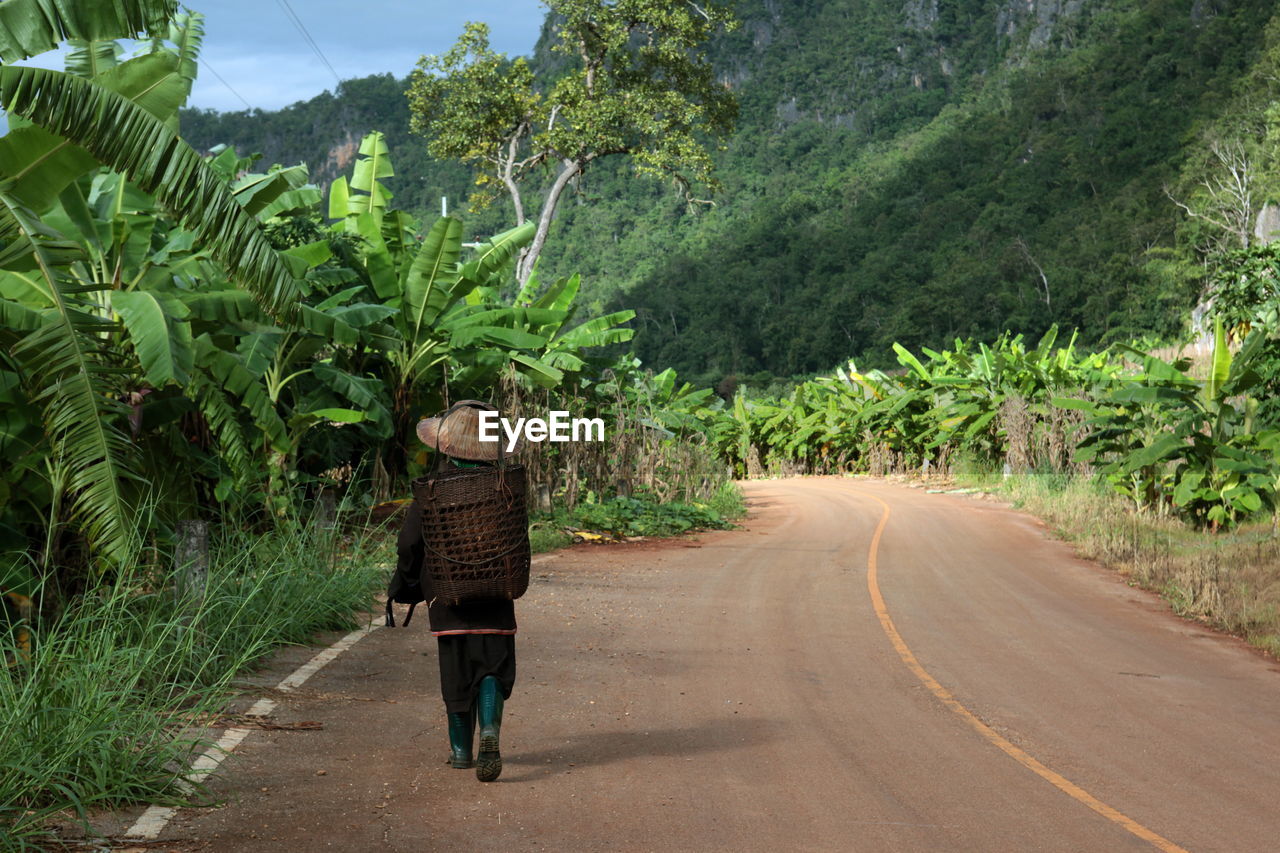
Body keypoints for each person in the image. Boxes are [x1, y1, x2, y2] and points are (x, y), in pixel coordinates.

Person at [395, 400, 521, 783]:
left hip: (447, 600)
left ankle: (461, 752)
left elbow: (408, 545)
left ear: (446, 446)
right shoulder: (506, 489)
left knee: (455, 675)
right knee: (493, 669)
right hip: (497, 595)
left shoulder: (432, 492)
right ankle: (490, 731)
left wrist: (407, 584)